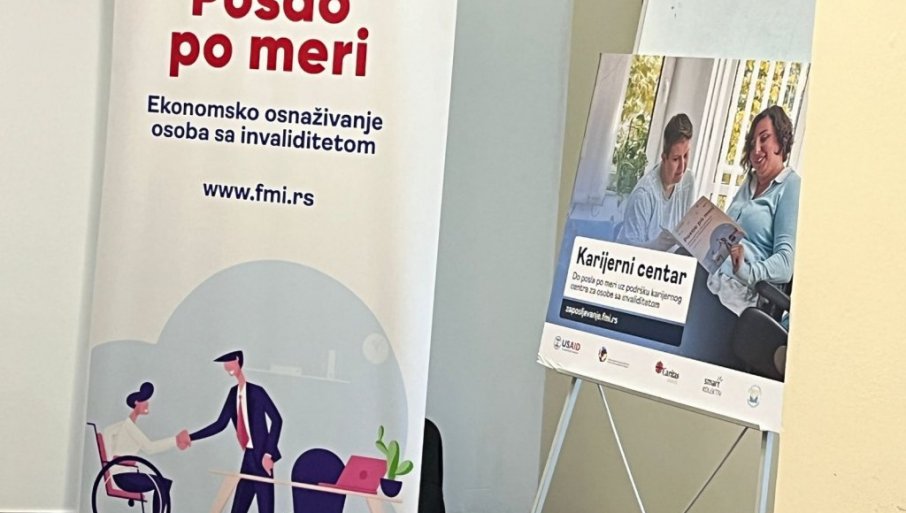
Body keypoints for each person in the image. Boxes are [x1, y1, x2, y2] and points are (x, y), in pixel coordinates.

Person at [707, 105, 801, 317]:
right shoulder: (750, 183)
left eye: (764, 138)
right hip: (716, 273)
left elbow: (785, 263)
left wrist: (747, 272)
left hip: (741, 293)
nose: (756, 149)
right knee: (680, 257)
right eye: (752, 143)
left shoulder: (791, 186)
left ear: (781, 141)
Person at [182, 351, 283, 513]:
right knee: (238, 507)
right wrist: (191, 437)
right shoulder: (232, 394)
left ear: (237, 361)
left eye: (228, 362)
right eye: (224, 364)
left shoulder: (257, 392)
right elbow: (220, 424)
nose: (226, 366)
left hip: (263, 459)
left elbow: (277, 420)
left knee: (266, 508)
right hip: (248, 457)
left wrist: (268, 454)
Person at [102, 382, 187, 513]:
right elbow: (150, 447)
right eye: (145, 401)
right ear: (136, 403)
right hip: (124, 477)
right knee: (163, 484)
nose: (147, 404)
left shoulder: (124, 426)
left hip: (125, 474)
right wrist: (176, 440)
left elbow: (106, 432)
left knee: (163, 483)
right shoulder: (129, 427)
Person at [616, 113, 696, 250]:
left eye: (686, 156)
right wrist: (658, 245)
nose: (682, 167)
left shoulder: (688, 180)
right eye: (676, 159)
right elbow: (628, 253)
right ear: (664, 158)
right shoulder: (643, 195)